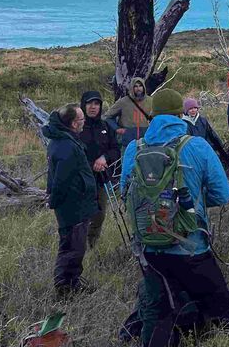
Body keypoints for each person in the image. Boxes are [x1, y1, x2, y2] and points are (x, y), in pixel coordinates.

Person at [121, 88, 229, 347]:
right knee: (220, 306)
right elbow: (223, 194)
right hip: (192, 247)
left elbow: (125, 192)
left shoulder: (135, 148)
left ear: (152, 115)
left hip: (149, 248)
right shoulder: (196, 145)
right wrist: (193, 204)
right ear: (180, 114)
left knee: (159, 310)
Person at [44, 103, 98, 296]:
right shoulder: (66, 145)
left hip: (76, 204)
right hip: (72, 207)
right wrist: (55, 202)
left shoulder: (65, 140)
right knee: (71, 248)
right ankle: (64, 289)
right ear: (74, 124)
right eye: (82, 119)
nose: (84, 122)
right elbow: (61, 180)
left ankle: (73, 283)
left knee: (76, 246)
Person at [79, 91, 120, 249]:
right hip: (82, 180)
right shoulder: (77, 126)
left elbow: (115, 149)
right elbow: (73, 155)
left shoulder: (105, 126)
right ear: (83, 105)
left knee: (100, 215)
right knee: (82, 216)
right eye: (89, 103)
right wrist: (91, 165)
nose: (93, 107)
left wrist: (104, 158)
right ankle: (79, 247)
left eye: (96, 104)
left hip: (102, 178)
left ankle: (92, 246)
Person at [183, 97, 229, 172]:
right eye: (190, 109)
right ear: (186, 111)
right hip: (195, 152)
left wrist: (219, 145)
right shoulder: (184, 124)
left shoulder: (202, 120)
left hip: (208, 148)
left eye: (195, 108)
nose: (193, 110)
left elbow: (211, 134)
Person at [105, 77, 153, 143]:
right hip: (127, 142)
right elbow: (107, 117)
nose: (138, 88)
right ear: (132, 88)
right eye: (135, 86)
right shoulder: (123, 102)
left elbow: (158, 118)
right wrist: (117, 129)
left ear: (144, 87)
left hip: (147, 142)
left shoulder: (151, 101)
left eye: (140, 86)